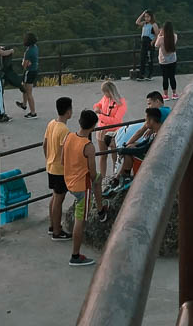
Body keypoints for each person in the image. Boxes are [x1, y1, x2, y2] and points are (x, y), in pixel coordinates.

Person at [62, 109, 109, 267]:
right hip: (83, 186)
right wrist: (97, 177)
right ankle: (75, 255)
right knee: (80, 219)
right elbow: (93, 172)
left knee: (95, 180)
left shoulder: (68, 137)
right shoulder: (88, 146)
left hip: (69, 181)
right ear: (94, 126)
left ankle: (101, 210)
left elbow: (63, 160)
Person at [42, 96, 73, 240]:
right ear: (68, 111)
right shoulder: (64, 130)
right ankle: (57, 231)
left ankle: (52, 225)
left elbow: (44, 144)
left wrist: (48, 158)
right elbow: (64, 153)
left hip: (50, 166)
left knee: (54, 196)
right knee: (59, 199)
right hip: (60, 170)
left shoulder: (52, 124)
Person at [115, 107, 163, 181]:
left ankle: (123, 177)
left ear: (152, 121)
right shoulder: (156, 131)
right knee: (130, 147)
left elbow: (143, 149)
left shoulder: (158, 134)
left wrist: (123, 151)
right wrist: (127, 147)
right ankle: (121, 177)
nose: (145, 122)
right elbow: (144, 143)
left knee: (128, 153)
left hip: (153, 161)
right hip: (150, 155)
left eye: (146, 120)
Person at [92, 80, 127, 179]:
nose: (104, 94)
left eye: (105, 92)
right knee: (103, 156)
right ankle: (102, 178)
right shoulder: (105, 98)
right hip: (102, 130)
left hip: (114, 132)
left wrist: (100, 116)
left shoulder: (121, 102)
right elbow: (98, 104)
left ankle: (115, 176)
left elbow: (116, 120)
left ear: (110, 91)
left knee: (115, 156)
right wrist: (96, 108)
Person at [16, 32, 40, 117]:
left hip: (29, 72)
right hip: (34, 70)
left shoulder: (28, 51)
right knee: (24, 87)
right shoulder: (35, 48)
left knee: (28, 92)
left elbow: (24, 65)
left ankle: (33, 112)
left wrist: (23, 60)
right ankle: (24, 104)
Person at [155, 21, 179, 100]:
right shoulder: (174, 36)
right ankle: (174, 93)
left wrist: (159, 35)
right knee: (172, 77)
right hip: (172, 60)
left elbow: (156, 45)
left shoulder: (161, 38)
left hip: (163, 61)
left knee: (165, 77)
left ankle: (165, 95)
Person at [136, 10, 159, 80]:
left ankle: (150, 74)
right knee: (142, 59)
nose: (146, 18)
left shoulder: (154, 24)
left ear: (151, 17)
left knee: (149, 59)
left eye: (148, 17)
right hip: (143, 42)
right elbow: (137, 22)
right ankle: (141, 74)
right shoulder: (144, 23)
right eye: (145, 17)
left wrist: (153, 41)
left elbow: (157, 34)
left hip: (149, 42)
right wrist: (142, 14)